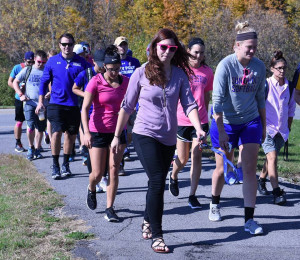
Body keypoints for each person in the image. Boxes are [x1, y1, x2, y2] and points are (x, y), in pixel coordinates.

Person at [111, 28, 206, 253]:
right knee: (156, 180)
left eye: (172, 48)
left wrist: (199, 128)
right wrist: (117, 136)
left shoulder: (179, 74)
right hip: (145, 134)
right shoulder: (141, 73)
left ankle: (147, 220)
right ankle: (158, 235)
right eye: (163, 47)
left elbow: (190, 104)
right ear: (155, 47)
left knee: (156, 181)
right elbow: (127, 106)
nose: (167, 51)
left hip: (168, 137)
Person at [210, 21, 266, 235]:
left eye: (255, 47)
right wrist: (222, 130)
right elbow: (217, 100)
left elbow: (260, 97)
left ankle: (249, 219)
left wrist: (263, 126)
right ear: (237, 45)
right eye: (248, 47)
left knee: (249, 169)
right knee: (223, 168)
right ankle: (214, 203)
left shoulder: (259, 67)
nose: (252, 51)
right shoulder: (225, 65)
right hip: (225, 122)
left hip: (251, 121)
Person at [82, 45, 129, 222]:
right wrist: (86, 133)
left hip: (118, 132)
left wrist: (130, 124)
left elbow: (130, 105)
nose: (114, 73)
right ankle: (92, 187)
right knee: (98, 174)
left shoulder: (126, 82)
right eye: (110, 69)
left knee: (114, 170)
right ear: (104, 67)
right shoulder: (96, 81)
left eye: (117, 69)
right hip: (97, 131)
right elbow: (84, 108)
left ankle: (109, 208)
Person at [36, 33, 90, 180]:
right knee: (56, 132)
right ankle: (55, 165)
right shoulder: (52, 61)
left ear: (73, 45)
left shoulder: (82, 62)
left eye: (70, 44)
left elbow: (94, 75)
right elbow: (43, 83)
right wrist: (41, 101)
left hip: (74, 105)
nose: (67, 47)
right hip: (56, 103)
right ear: (59, 45)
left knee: (71, 135)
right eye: (64, 44)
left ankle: (65, 164)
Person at [169, 37, 213, 209]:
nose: (199, 55)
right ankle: (173, 176)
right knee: (183, 158)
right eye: (196, 52)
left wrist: (207, 116)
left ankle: (192, 195)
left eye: (201, 53)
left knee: (196, 156)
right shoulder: (179, 70)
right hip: (182, 119)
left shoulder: (207, 72)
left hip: (200, 121)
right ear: (188, 51)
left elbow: (207, 95)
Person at [257, 51, 296, 205]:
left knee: (270, 159)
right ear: (272, 69)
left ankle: (261, 180)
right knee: (272, 157)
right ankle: (277, 192)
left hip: (282, 130)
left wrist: (289, 127)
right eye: (279, 68)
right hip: (267, 128)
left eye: (284, 68)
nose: (282, 71)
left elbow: (291, 109)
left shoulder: (290, 86)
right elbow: (259, 105)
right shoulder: (265, 85)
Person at [73, 49, 106, 191]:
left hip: (105, 116)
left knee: (105, 151)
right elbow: (74, 88)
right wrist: (88, 95)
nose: (103, 67)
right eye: (100, 64)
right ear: (93, 62)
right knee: (91, 150)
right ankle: (94, 181)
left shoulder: (110, 74)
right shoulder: (86, 73)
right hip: (89, 115)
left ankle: (103, 178)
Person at [13, 50, 48, 160]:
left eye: (43, 62)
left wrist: (50, 93)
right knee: (30, 127)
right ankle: (30, 147)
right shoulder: (27, 70)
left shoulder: (47, 71)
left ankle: (37, 149)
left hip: (42, 105)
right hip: (30, 103)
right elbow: (15, 82)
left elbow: (53, 85)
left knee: (41, 128)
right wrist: (20, 94)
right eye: (39, 61)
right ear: (34, 60)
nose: (41, 64)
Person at [114, 36, 141, 172]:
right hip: (117, 102)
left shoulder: (134, 62)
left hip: (133, 102)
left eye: (124, 45)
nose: (122, 47)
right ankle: (120, 164)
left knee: (130, 132)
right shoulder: (113, 62)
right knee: (120, 131)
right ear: (116, 47)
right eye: (120, 45)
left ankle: (125, 151)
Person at [8, 51, 35, 152]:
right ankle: (18, 143)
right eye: (29, 62)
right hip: (20, 99)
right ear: (24, 60)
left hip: (32, 99)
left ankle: (34, 146)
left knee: (34, 123)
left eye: (33, 62)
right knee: (19, 122)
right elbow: (10, 82)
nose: (31, 64)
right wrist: (19, 89)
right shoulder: (17, 68)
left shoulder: (35, 68)